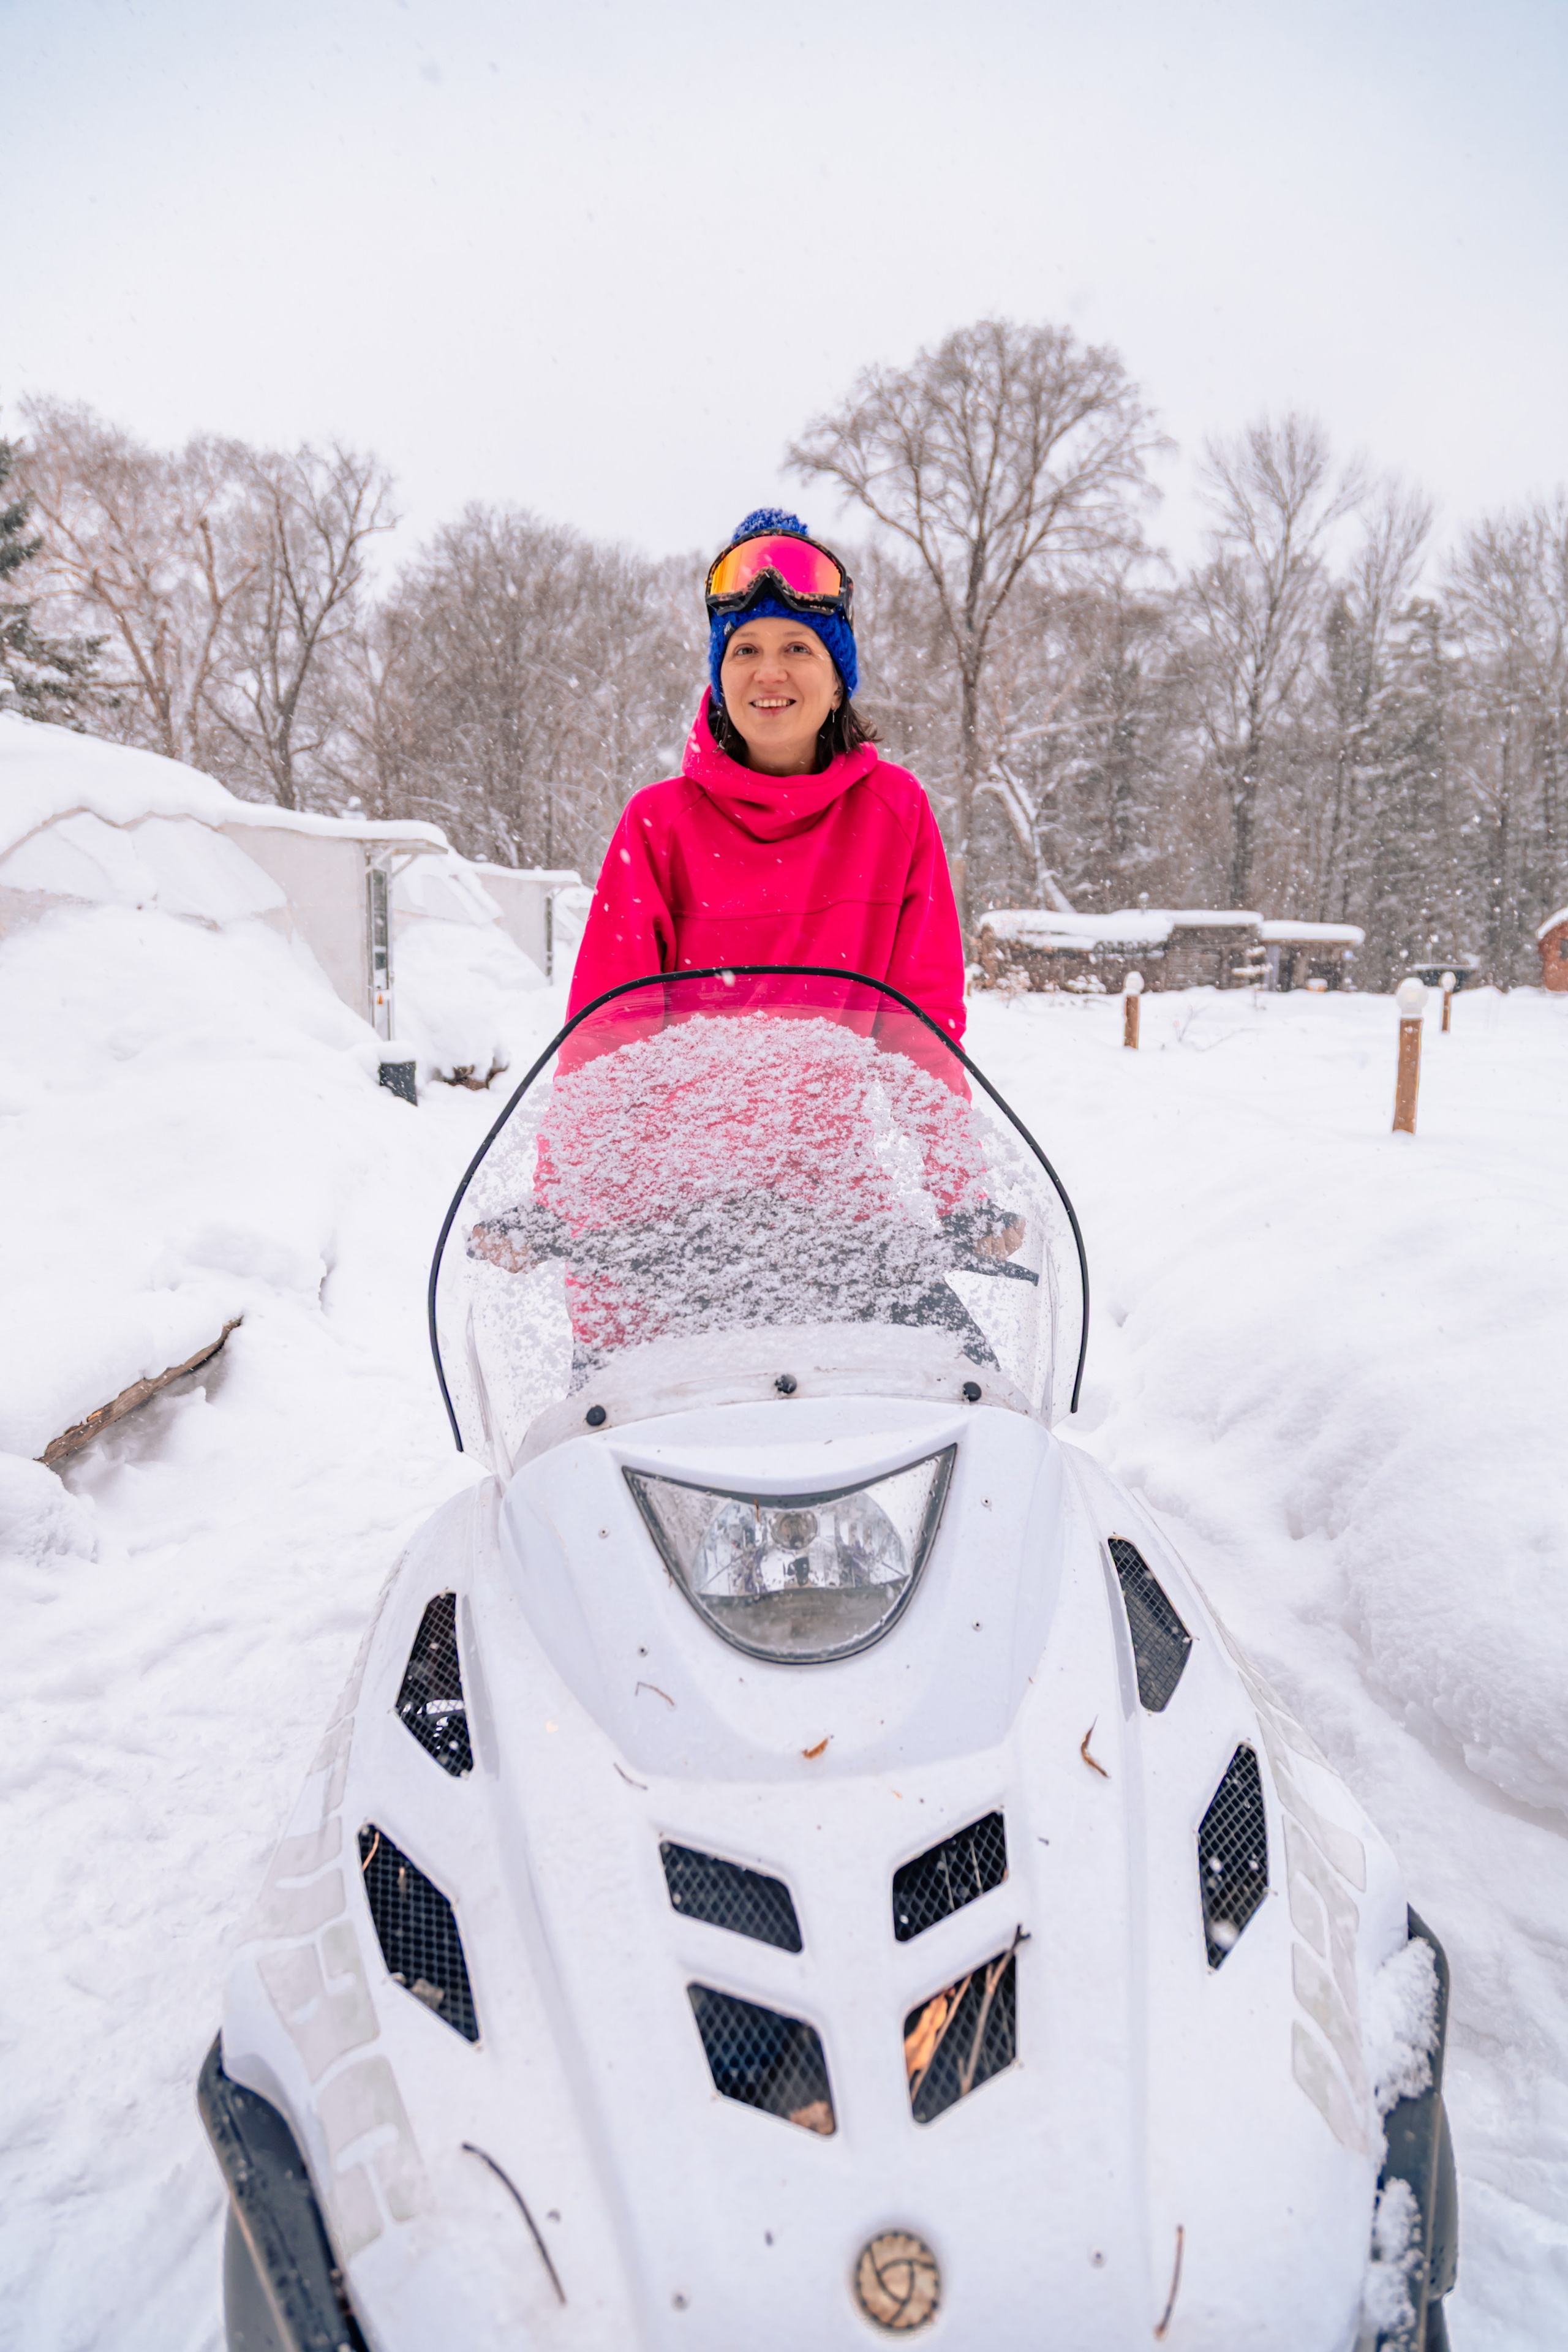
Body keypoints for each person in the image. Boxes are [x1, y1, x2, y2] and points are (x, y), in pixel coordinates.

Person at [565, 509, 965, 1044]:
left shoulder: (896, 811)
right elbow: (603, 1037)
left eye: (797, 648)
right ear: (721, 680)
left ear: (838, 683)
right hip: (688, 1105)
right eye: (746, 649)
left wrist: (938, 1103)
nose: (769, 673)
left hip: (842, 1106)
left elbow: (925, 1029)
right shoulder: (657, 824)